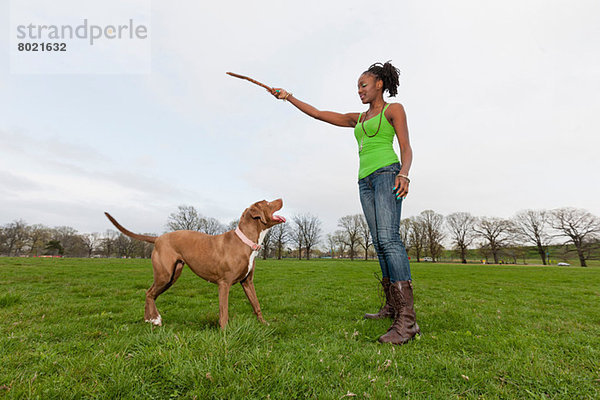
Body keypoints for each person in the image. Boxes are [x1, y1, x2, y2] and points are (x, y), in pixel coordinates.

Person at [269, 61, 420, 345]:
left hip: (388, 174)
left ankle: (407, 321)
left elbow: (406, 146)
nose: (359, 91)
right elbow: (318, 114)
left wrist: (404, 174)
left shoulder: (393, 110)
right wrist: (288, 97)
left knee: (389, 239)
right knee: (378, 243)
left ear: (379, 84)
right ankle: (392, 308)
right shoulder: (359, 119)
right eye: (357, 87)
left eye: (363, 85)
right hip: (365, 181)